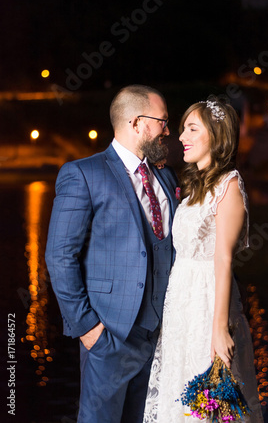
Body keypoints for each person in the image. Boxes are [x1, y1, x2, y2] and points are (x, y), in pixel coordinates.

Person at [45, 85, 179, 423]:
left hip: (161, 339)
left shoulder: (164, 175)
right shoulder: (83, 174)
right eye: (162, 121)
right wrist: (88, 328)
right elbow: (60, 256)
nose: (168, 129)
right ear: (135, 123)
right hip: (110, 336)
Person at [144, 97, 264, 423]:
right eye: (182, 128)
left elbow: (223, 260)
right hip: (180, 303)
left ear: (216, 136)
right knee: (178, 391)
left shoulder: (229, 185)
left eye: (192, 128)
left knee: (209, 404)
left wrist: (219, 328)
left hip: (207, 303)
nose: (181, 136)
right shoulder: (194, 187)